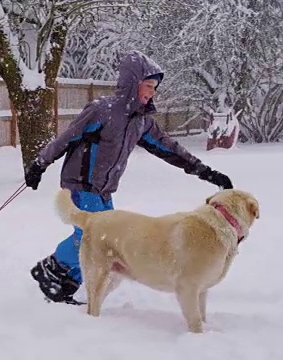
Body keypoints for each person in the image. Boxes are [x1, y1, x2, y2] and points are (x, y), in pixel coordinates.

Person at [24, 50, 233, 304]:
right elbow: (67, 138)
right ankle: (52, 269)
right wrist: (40, 163)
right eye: (148, 86)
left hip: (104, 189)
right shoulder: (102, 111)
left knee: (106, 239)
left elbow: (170, 149)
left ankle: (67, 280)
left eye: (154, 88)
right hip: (81, 184)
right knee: (90, 237)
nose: (152, 92)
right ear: (132, 82)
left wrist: (205, 172)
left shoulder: (141, 122)